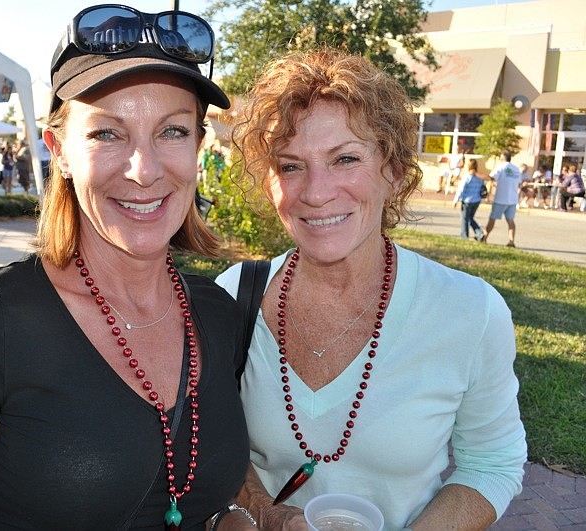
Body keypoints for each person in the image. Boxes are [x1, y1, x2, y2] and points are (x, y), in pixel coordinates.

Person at [0, 5, 249, 529]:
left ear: (198, 146)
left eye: (173, 131)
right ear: (59, 151)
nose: (146, 170)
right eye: (107, 134)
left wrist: (240, 518)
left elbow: (205, 488)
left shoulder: (218, 313)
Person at [214, 47, 526, 530]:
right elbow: (213, 439)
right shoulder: (234, 296)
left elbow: (492, 465)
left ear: (395, 169)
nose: (317, 192)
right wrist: (267, 514)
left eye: (345, 159)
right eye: (291, 165)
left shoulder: (469, 310)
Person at [482, 151, 522, 247]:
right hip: (512, 199)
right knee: (510, 220)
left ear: (502, 158)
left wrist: (481, 176)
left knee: (492, 219)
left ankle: (484, 238)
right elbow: (519, 182)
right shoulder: (516, 169)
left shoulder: (501, 167)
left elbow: (491, 177)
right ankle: (511, 241)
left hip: (501, 198)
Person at [452, 158, 485, 240]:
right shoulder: (479, 177)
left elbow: (461, 189)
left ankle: (464, 236)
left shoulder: (467, 177)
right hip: (476, 200)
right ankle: (479, 233)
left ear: (469, 166)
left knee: (465, 219)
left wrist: (455, 200)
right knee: (470, 218)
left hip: (467, 201)